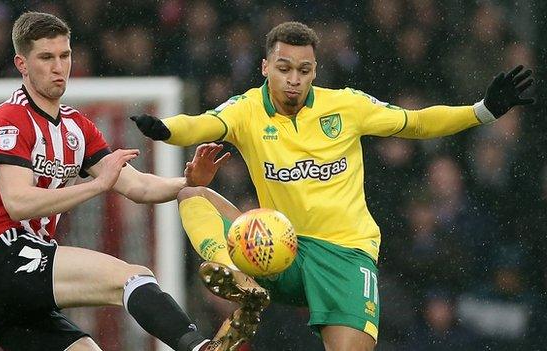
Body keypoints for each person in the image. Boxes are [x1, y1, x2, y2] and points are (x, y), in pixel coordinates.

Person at [131, 21, 534, 350]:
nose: (294, 80)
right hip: (277, 248)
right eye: (284, 68)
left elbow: (416, 122)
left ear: (315, 72)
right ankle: (235, 274)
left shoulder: (346, 106)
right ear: (265, 68)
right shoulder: (246, 109)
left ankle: (244, 282)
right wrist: (166, 130)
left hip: (345, 254)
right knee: (192, 191)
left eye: (304, 71)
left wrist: (483, 111)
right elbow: (203, 123)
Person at [0, 11, 245, 351]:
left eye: (65, 55)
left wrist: (185, 180)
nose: (58, 67)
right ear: (22, 64)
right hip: (1, 257)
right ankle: (199, 347)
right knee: (130, 277)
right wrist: (97, 185)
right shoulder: (9, 119)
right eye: (46, 58)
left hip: (21, 289)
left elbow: (138, 187)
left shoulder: (77, 127)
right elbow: (18, 202)